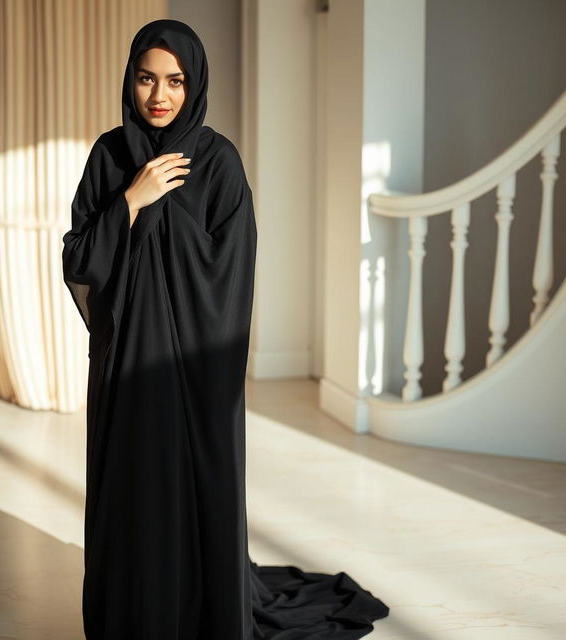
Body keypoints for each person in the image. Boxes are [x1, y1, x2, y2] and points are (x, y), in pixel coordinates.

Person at [62, 18, 389, 639]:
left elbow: (232, 275)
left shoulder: (218, 163)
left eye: (176, 81)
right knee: (129, 492)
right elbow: (78, 260)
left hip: (194, 371)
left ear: (195, 84)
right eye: (146, 79)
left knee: (193, 492)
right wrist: (132, 200)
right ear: (129, 81)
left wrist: (168, 225)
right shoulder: (109, 155)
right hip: (126, 366)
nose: (160, 95)